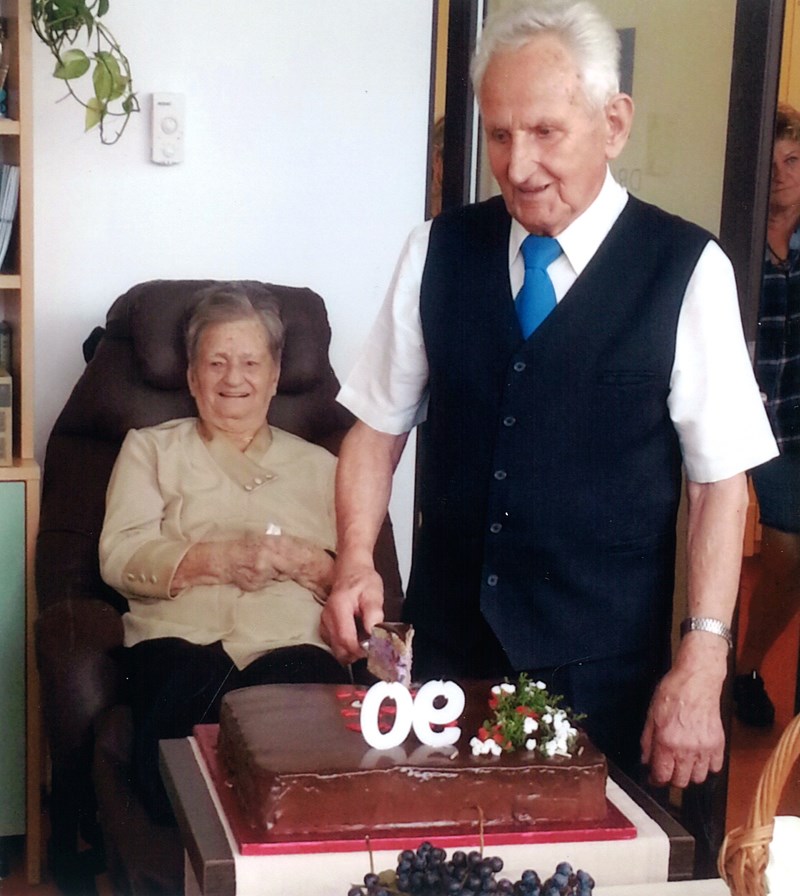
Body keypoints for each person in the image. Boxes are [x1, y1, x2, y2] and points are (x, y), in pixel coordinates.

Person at [321, 0, 778, 787]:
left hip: (601, 674)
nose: (519, 165)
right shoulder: (437, 250)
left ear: (614, 123)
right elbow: (375, 429)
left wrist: (704, 657)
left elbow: (718, 486)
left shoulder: (687, 269)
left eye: (545, 133)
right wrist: (356, 559)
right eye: (499, 135)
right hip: (446, 659)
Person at [99, 284, 346, 822]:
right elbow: (119, 555)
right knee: (187, 688)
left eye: (251, 363)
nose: (234, 378)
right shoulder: (150, 449)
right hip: (180, 641)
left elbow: (355, 583)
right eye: (216, 363)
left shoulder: (325, 467)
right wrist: (219, 559)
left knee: (302, 684)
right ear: (192, 377)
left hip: (289, 643)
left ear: (275, 376)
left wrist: (305, 562)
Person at [734, 103, 800, 728]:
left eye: (794, 160)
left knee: (789, 553)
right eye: (771, 162)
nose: (781, 174)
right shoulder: (732, 244)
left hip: (795, 425)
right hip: (741, 419)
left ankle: (747, 668)